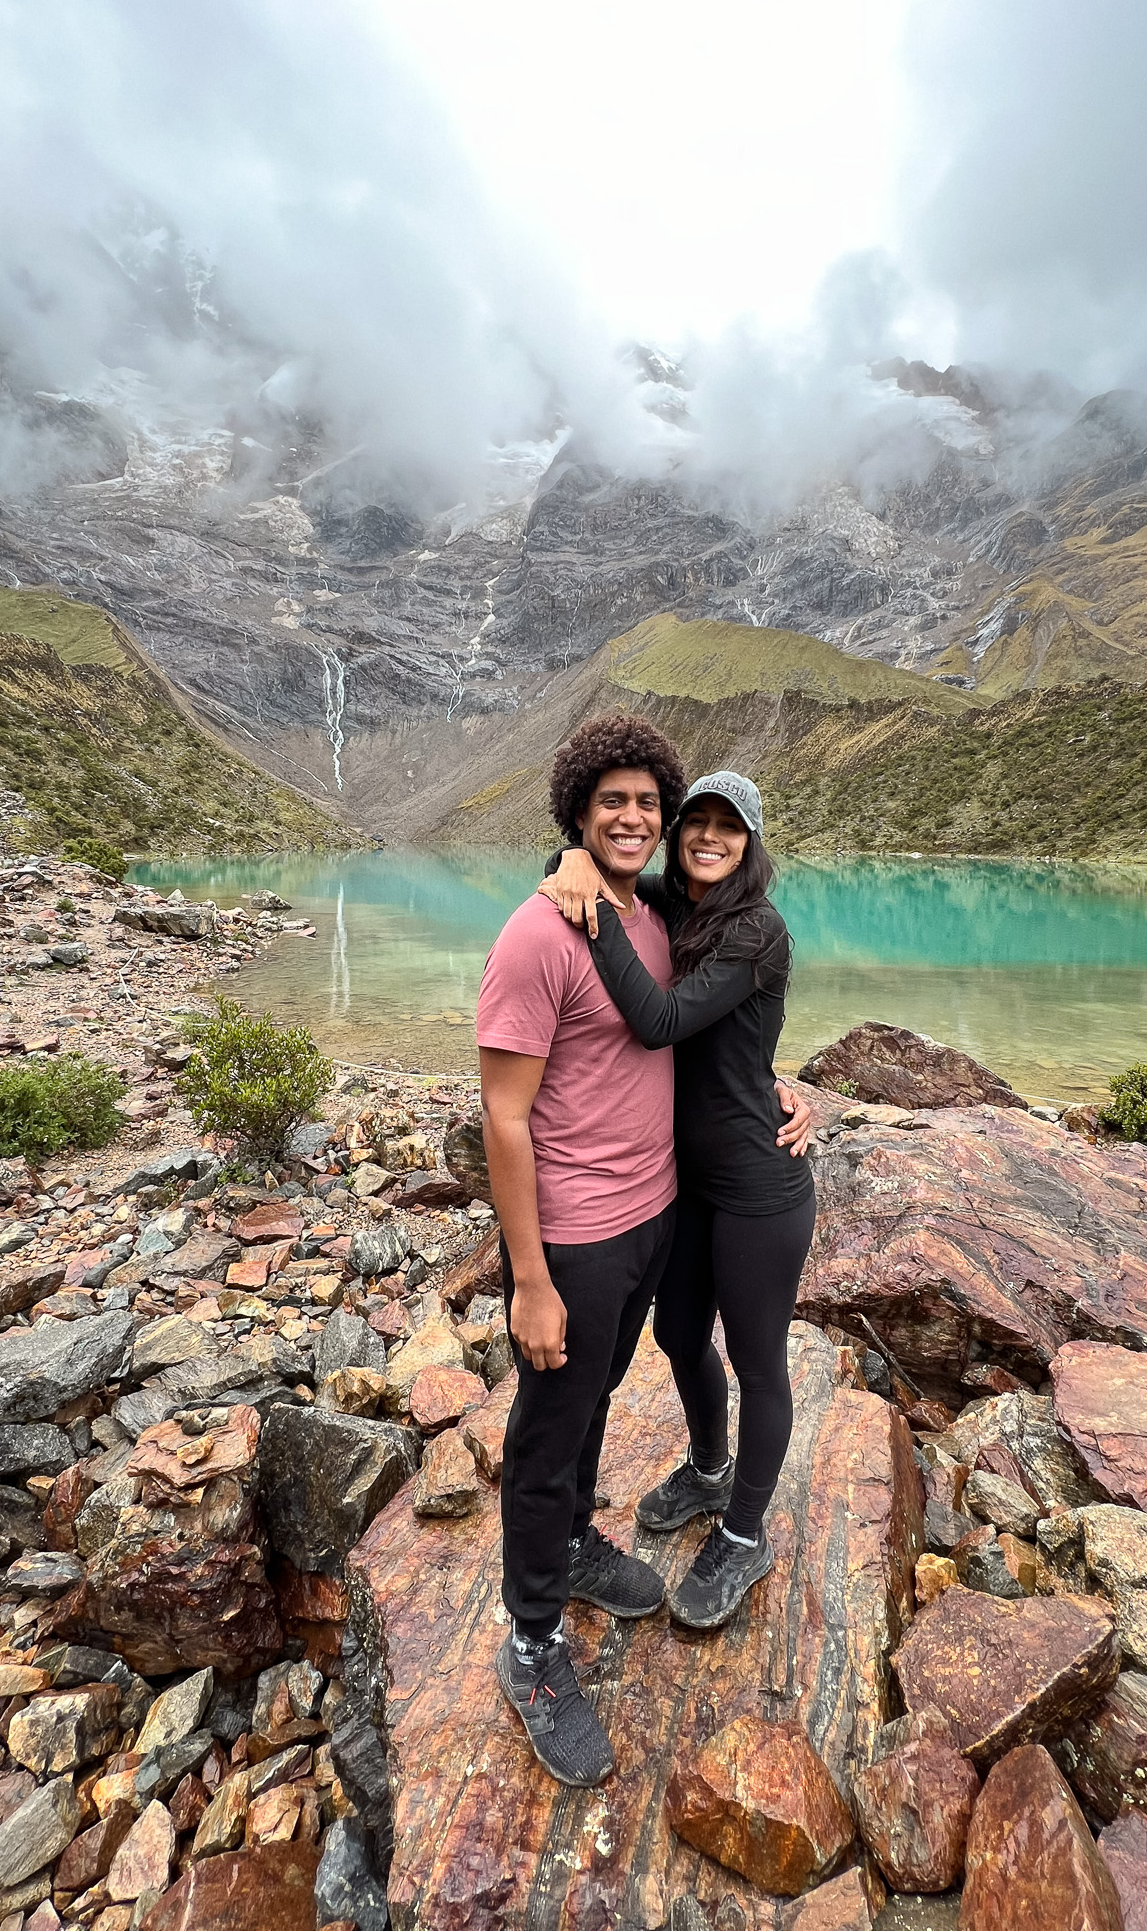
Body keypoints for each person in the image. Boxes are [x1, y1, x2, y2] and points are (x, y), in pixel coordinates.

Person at [477, 719, 809, 1789]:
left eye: (647, 804)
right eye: (610, 801)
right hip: (574, 1236)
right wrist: (527, 1274)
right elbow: (504, 1112)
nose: (637, 819)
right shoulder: (552, 928)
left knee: (599, 1400)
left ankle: (598, 1540)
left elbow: (694, 1026)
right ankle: (531, 1641)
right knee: (550, 1425)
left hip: (664, 1212)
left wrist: (782, 1088)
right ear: (579, 810)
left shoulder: (673, 919)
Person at [539, 769, 816, 1631]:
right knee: (677, 1332)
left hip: (758, 1188)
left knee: (759, 1361)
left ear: (751, 841)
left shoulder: (757, 930)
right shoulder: (676, 900)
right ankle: (706, 1468)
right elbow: (601, 870)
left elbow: (660, 1021)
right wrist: (572, 862)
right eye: (693, 820)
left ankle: (743, 1532)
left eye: (727, 826)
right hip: (688, 1184)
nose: (706, 836)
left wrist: (595, 908)